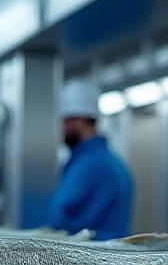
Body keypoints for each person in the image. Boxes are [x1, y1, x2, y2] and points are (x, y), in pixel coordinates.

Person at [48, 79, 134, 239]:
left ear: (78, 121)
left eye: (65, 122)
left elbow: (62, 217)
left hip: (91, 256)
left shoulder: (88, 165)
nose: (62, 130)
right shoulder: (113, 162)